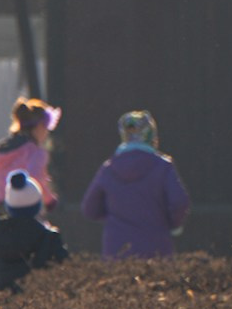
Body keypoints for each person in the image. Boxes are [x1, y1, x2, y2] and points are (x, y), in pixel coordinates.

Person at [0, 98, 59, 277]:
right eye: (46, 128)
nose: (46, 134)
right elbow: (36, 180)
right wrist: (50, 200)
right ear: (39, 127)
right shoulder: (35, 152)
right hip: (28, 219)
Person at [81, 111, 191, 260]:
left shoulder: (108, 168)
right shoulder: (163, 167)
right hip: (156, 249)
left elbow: (89, 209)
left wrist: (115, 218)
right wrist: (173, 225)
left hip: (117, 250)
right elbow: (179, 202)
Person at [0, 171, 69, 291]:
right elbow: (65, 272)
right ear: (38, 205)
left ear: (9, 207)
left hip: (4, 301)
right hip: (40, 303)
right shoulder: (50, 238)